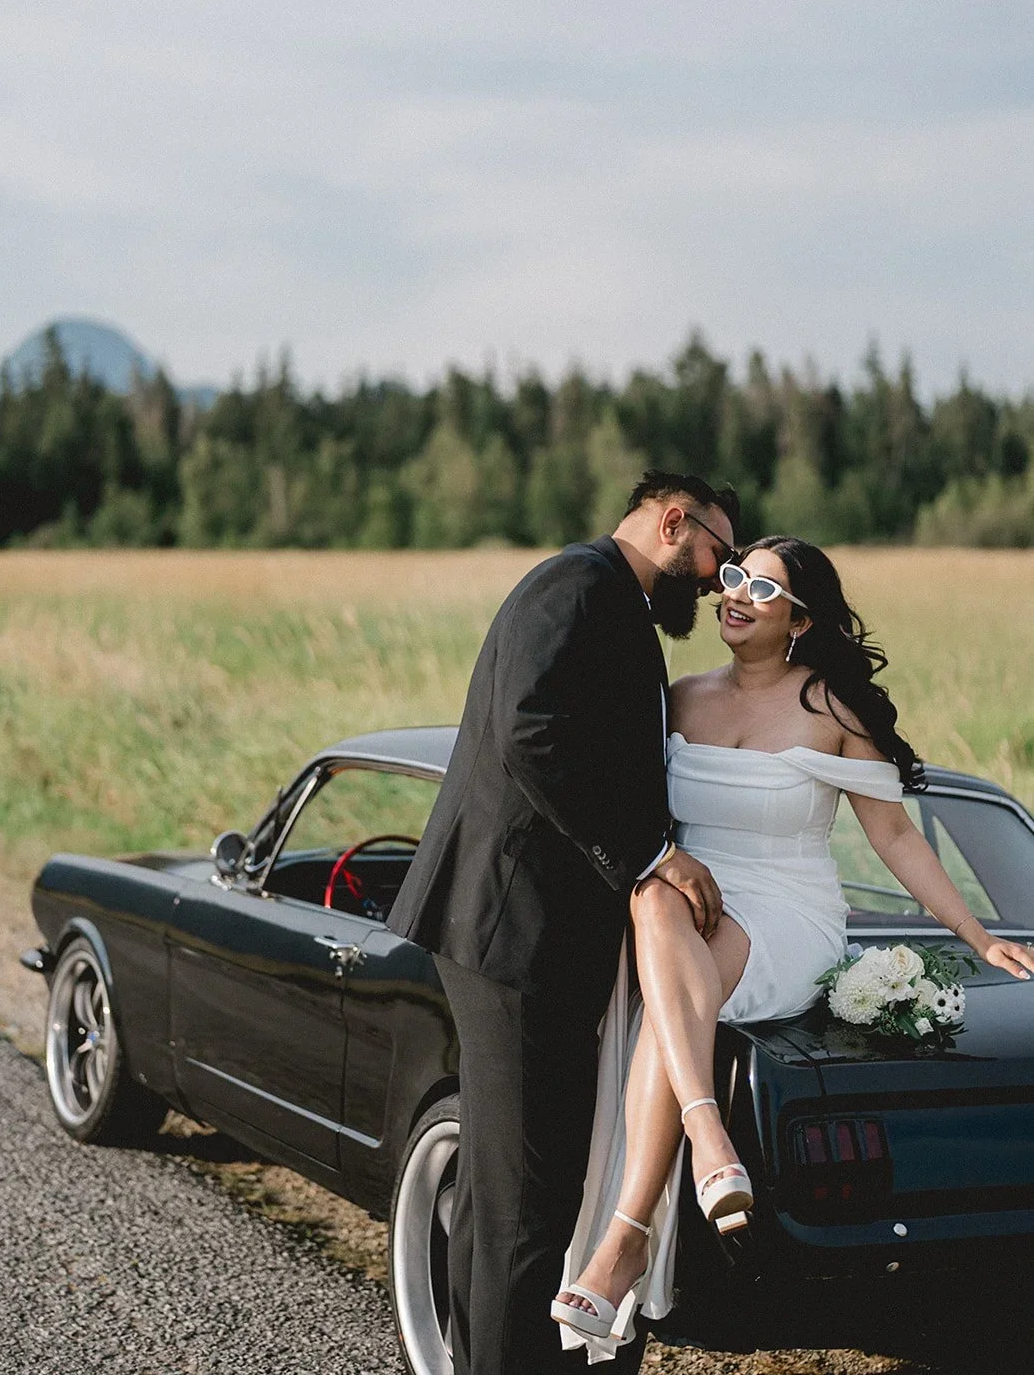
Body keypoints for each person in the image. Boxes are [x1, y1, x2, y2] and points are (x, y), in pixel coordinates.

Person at [553, 535, 1034, 1360]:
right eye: (733, 578)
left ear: (801, 621)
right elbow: (625, 809)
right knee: (653, 899)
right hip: (690, 902)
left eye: (763, 589)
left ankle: (626, 1235)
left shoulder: (832, 710)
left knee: (668, 990)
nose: (735, 595)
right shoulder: (681, 697)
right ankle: (704, 1144)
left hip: (786, 911)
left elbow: (894, 836)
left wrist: (975, 935)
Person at [387, 472, 739, 1375]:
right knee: (527, 1202)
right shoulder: (577, 585)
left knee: (503, 1193)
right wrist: (651, 855)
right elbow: (530, 730)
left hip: (525, 932)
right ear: (674, 521)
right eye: (717, 553)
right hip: (515, 930)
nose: (717, 579)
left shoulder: (608, 598)